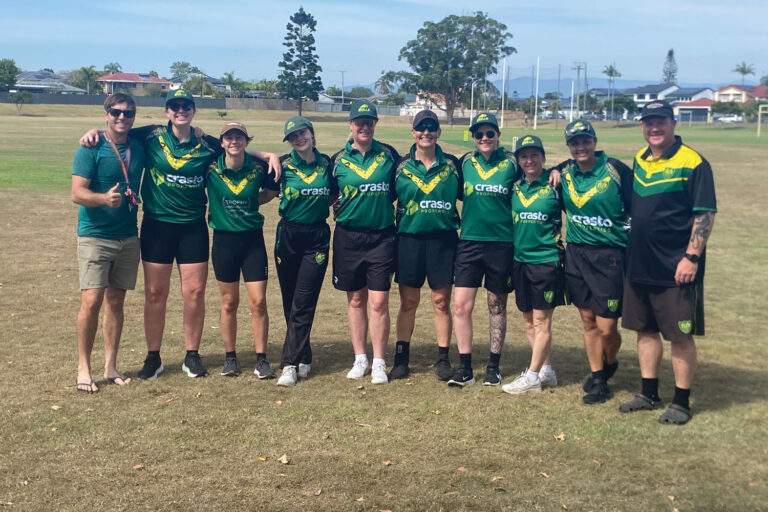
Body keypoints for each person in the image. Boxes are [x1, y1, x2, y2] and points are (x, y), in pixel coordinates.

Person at [79, 90, 279, 379]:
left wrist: (268, 155)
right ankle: (153, 357)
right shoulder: (152, 136)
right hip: (157, 225)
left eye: (186, 106)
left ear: (193, 111)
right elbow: (119, 130)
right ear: (167, 111)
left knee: (194, 293)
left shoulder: (206, 143)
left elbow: (236, 150)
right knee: (155, 293)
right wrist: (94, 132)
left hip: (192, 227)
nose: (180, 110)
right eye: (175, 106)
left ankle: (192, 355)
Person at [619, 100, 716, 425]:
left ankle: (681, 402)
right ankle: (648, 393)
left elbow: (705, 213)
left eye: (660, 121)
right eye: (649, 122)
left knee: (679, 335)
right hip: (639, 264)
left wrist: (691, 257)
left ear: (673, 123)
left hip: (676, 268)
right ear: (642, 126)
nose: (654, 128)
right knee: (644, 330)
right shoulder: (640, 159)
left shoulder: (693, 162)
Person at [555, 120, 633, 404]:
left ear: (595, 141)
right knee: (588, 321)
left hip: (609, 256)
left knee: (608, 327)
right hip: (577, 254)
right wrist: (554, 169)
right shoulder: (565, 173)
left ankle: (609, 362)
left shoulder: (615, 169)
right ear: (569, 146)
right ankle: (599, 379)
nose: (581, 147)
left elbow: (635, 207)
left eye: (586, 141)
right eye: (574, 142)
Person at [71, 93, 144, 393]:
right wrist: (104, 199)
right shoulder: (90, 147)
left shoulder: (139, 145)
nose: (122, 117)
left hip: (128, 236)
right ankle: (83, 368)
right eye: (115, 112)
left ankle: (111, 365)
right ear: (106, 114)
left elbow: (167, 129)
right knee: (91, 301)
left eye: (128, 113)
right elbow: (77, 193)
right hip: (95, 236)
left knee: (116, 301)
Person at [330, 100, 400, 385]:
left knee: (379, 301)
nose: (364, 127)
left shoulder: (389, 155)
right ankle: (360, 358)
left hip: (382, 236)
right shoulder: (337, 160)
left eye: (369, 122)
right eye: (359, 122)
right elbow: (329, 194)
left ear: (375, 124)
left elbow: (397, 189)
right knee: (356, 299)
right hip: (348, 237)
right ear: (350, 125)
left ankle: (380, 361)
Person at [389, 110, 461, 381]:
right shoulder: (400, 166)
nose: (426, 133)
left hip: (443, 241)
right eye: (421, 128)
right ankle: (401, 359)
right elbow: (383, 197)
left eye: (431, 128)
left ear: (439, 132)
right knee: (409, 301)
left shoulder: (453, 165)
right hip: (409, 239)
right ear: (413, 132)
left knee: (441, 302)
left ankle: (443, 359)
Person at [450, 113, 520, 387]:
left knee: (496, 305)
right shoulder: (465, 162)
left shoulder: (512, 163)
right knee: (460, 306)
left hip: (501, 243)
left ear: (498, 135)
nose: (484, 138)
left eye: (490, 133)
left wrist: (556, 171)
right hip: (469, 242)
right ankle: (465, 368)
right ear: (473, 137)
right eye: (479, 134)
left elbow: (534, 175)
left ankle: (493, 366)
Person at [207, 121, 279, 379]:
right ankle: (230, 358)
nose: (234, 141)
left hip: (252, 242)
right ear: (222, 142)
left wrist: (269, 156)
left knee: (258, 302)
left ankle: (262, 359)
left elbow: (270, 192)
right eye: (229, 137)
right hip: (224, 241)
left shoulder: (258, 167)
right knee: (229, 302)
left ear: (246, 141)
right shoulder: (210, 167)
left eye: (239, 137)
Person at [274, 116, 336, 387]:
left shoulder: (328, 165)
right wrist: (266, 155)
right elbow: (239, 154)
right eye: (293, 136)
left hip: (316, 237)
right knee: (290, 301)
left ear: (312, 133)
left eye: (302, 133)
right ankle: (304, 354)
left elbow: (335, 194)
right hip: (288, 236)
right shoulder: (281, 165)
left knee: (304, 300)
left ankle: (289, 364)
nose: (299, 139)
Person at [501, 135, 564, 395]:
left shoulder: (556, 184)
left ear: (543, 158)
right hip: (520, 260)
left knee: (541, 320)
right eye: (524, 156)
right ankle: (546, 370)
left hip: (546, 260)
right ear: (518, 161)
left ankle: (532, 376)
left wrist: (559, 169)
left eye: (534, 155)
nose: (530, 161)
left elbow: (578, 166)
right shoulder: (515, 187)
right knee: (528, 319)